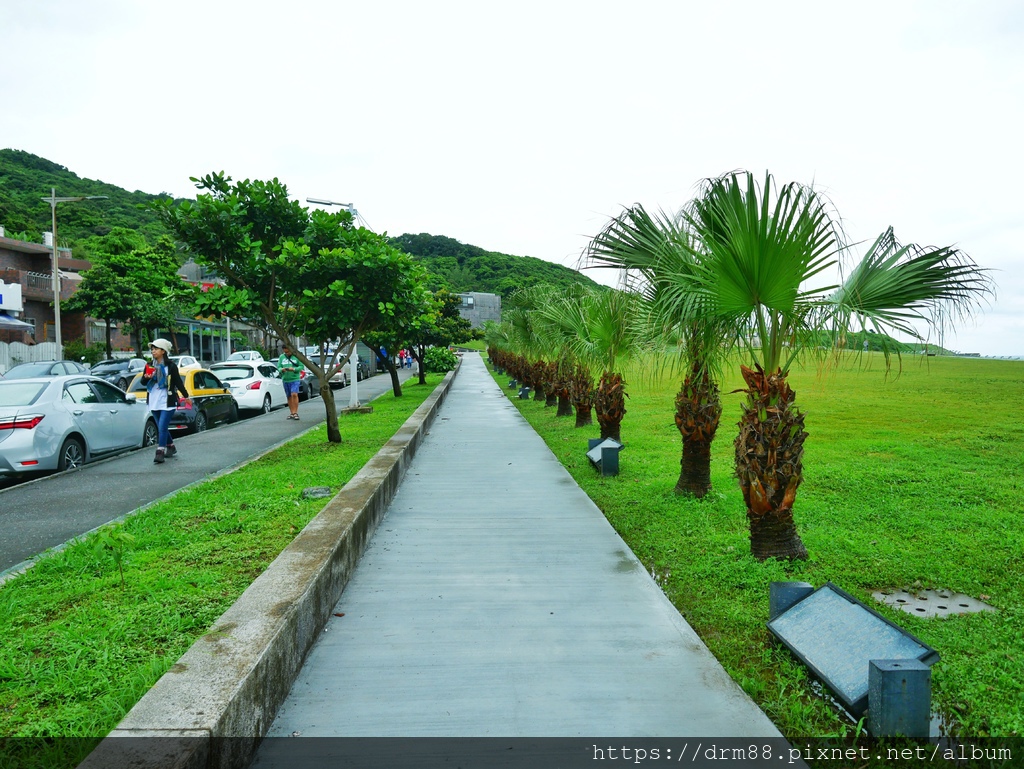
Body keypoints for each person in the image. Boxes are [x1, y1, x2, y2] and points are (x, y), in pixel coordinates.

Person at [141, 338, 188, 464]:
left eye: (155, 349)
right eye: (152, 349)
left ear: (163, 351)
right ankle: (171, 446)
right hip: (153, 400)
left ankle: (160, 452)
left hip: (168, 401)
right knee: (161, 427)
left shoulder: (171, 366)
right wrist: (146, 378)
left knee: (162, 427)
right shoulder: (149, 365)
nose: (153, 351)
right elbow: (143, 382)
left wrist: (186, 396)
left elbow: (178, 382)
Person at [278, 343, 303, 420]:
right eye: (285, 352)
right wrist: (282, 370)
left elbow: (301, 366)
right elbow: (278, 367)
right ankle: (292, 412)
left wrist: (294, 369)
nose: (287, 353)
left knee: (294, 394)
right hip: (285, 379)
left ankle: (295, 412)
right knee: (289, 396)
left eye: (288, 352)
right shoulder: (282, 357)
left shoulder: (296, 356)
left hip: (295, 378)